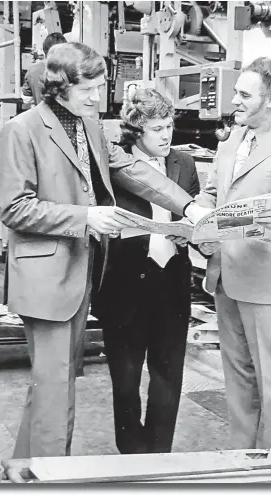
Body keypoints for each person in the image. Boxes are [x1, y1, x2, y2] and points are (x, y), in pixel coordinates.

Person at [0, 42, 207, 459]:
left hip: (81, 273)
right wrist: (86, 217)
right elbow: (15, 208)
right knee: (55, 388)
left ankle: (24, 470)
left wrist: (189, 205)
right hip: (47, 279)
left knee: (52, 384)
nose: (98, 97)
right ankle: (48, 480)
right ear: (59, 87)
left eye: (100, 86)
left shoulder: (89, 126)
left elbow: (132, 170)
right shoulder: (21, 130)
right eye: (88, 88)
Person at [187, 57, 271, 449]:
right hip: (225, 272)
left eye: (244, 94)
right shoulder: (232, 141)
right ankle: (242, 452)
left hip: (266, 278)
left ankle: (269, 459)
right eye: (236, 92)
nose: (235, 100)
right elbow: (213, 191)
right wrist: (197, 214)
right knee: (238, 374)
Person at [91, 88, 200, 454]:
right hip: (126, 285)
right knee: (125, 379)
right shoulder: (113, 164)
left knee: (168, 376)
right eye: (157, 128)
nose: (167, 135)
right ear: (137, 130)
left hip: (171, 283)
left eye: (170, 126)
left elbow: (195, 211)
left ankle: (159, 455)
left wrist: (193, 237)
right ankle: (132, 453)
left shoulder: (183, 164)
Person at [21, 32, 67, 106]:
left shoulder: (33, 70)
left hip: (41, 115)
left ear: (44, 49)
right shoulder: (69, 69)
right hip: (66, 116)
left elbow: (26, 99)